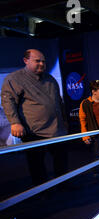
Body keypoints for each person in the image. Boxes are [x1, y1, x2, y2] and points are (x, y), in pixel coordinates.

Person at [1, 49, 68, 186]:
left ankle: (64, 185)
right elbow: (8, 101)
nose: (41, 64)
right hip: (34, 131)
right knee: (37, 164)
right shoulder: (14, 79)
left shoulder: (50, 79)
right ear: (26, 61)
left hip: (56, 130)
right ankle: (42, 190)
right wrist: (15, 123)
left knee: (61, 160)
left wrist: (64, 122)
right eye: (37, 60)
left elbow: (59, 102)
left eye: (43, 61)